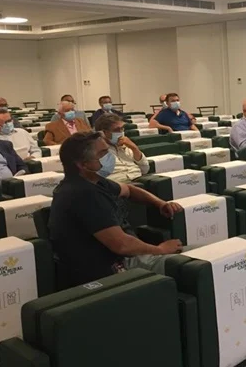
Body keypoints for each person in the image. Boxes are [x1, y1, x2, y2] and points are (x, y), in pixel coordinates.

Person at [49, 131, 184, 286]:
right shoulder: (83, 194)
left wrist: (160, 203)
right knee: (196, 263)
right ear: (83, 164)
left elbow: (129, 190)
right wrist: (160, 249)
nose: (110, 157)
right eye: (103, 153)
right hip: (114, 268)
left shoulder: (95, 181)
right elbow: (122, 245)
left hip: (126, 257)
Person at [94, 114, 149, 183]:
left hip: (138, 180)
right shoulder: (97, 152)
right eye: (116, 130)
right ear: (103, 133)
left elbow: (145, 169)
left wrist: (134, 148)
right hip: (119, 184)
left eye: (122, 128)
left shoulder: (126, 145)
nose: (121, 132)